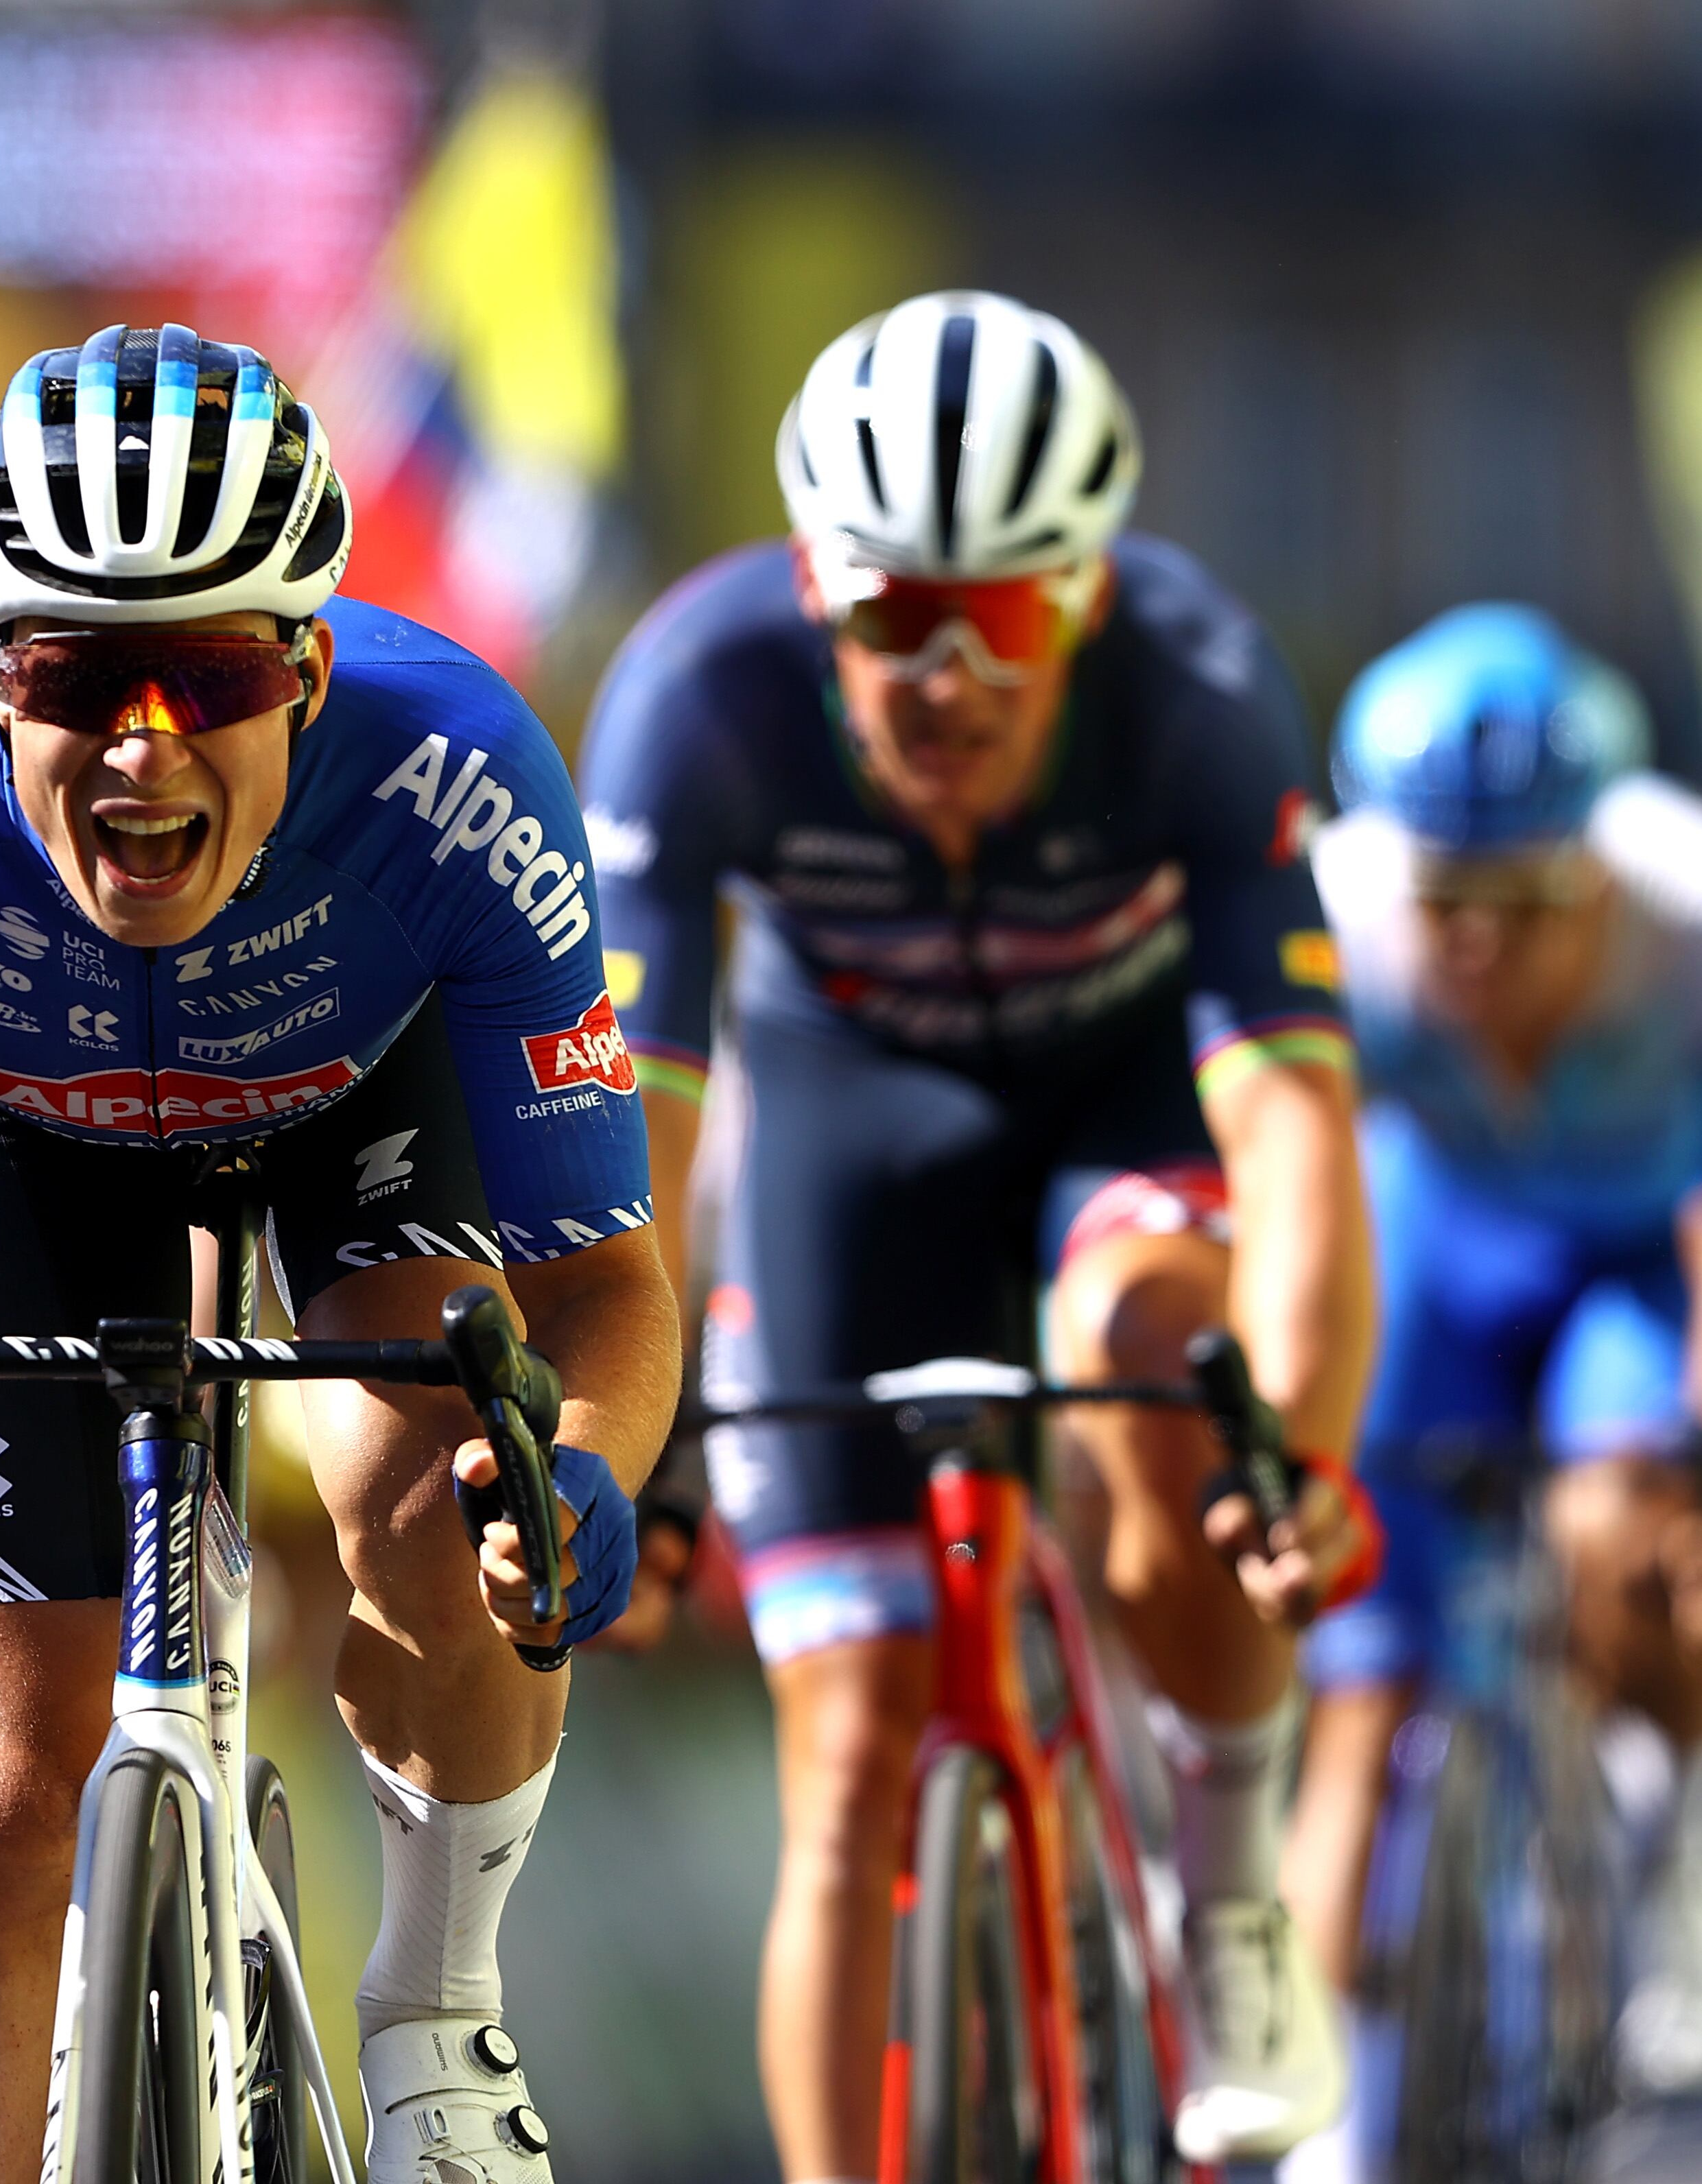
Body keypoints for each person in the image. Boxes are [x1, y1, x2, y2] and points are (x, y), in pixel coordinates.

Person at [0, 324, 680, 2184]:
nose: (143, 746)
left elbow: (607, 1289)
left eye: (205, 676)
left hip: (352, 1102)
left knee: (432, 1505)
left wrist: (586, 1467)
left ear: (304, 671)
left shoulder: (458, 773)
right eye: (77, 675)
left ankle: (438, 2016)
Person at [579, 289, 1381, 2176]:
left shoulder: (1195, 678)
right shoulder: (699, 693)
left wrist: (1299, 1450)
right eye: (889, 617)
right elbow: (631, 1133)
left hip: (1128, 1095)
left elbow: (1289, 1119)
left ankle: (1234, 1882)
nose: (945, 678)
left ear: (1084, 599)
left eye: (1002, 618)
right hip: (850, 1110)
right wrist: (626, 1438)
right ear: (809, 583)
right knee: (846, 1754)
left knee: (1140, 1337)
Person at [1282, 607, 1702, 2070]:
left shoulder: (1685, 908)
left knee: (1617, 1530)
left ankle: (1638, 1807)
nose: (1471, 937)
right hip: (1436, 1242)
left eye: (1522, 897)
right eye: (1443, 892)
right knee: (1362, 1686)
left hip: (1634, 1259)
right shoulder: (1330, 919)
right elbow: (1269, 1177)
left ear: (1596, 863)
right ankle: (1319, 2117)